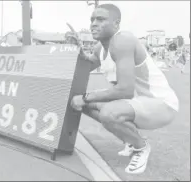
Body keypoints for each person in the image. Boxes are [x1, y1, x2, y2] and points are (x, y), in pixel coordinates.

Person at [69, 4, 179, 174]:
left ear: (116, 24)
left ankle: (141, 147)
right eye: (92, 19)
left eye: (100, 19)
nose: (93, 23)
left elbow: (125, 90)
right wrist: (76, 50)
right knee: (84, 105)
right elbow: (85, 66)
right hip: (136, 103)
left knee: (107, 112)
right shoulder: (100, 48)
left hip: (160, 104)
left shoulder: (123, 40)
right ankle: (130, 138)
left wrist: (85, 96)